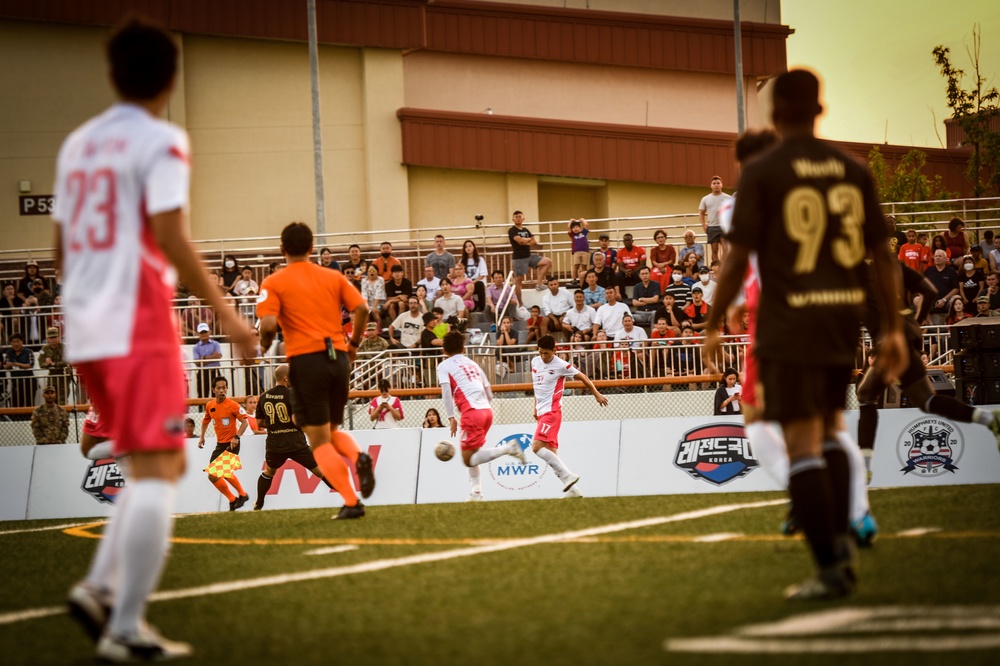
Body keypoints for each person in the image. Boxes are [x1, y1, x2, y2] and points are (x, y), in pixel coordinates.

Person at [58, 18, 254, 661]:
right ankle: (123, 625)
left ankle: (97, 591)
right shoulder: (161, 141)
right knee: (161, 468)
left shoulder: (78, 144)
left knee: (149, 463)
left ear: (112, 74)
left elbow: (60, 248)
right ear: (170, 79)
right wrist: (227, 315)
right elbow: (169, 234)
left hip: (83, 320)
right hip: (135, 317)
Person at [704, 69, 907, 601]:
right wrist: (893, 326)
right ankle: (844, 533)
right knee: (830, 426)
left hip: (790, 321)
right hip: (843, 318)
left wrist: (711, 322)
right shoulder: (852, 169)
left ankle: (831, 566)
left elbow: (738, 257)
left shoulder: (766, 172)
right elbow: (882, 254)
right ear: (819, 109)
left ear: (775, 114)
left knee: (801, 443)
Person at [257, 222, 375, 520]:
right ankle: (358, 457)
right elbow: (362, 310)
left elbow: (269, 326)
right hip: (338, 358)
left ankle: (351, 501)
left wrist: (262, 344)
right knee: (331, 431)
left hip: (307, 362)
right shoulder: (332, 276)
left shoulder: (274, 282)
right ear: (311, 248)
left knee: (318, 441)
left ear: (282, 249)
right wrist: (355, 345)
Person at [438, 331, 524, 501]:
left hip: (472, 412)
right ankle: (476, 492)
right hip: (486, 411)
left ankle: (508, 448)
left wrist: (450, 417)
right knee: (473, 454)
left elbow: (446, 392)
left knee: (468, 460)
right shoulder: (472, 363)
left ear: (444, 350)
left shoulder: (444, 365)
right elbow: (489, 391)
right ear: (463, 348)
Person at [530, 335, 608, 498]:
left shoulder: (561, 365)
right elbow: (537, 386)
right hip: (541, 412)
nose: (543, 357)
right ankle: (574, 491)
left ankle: (568, 477)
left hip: (552, 412)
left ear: (554, 350)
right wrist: (534, 406)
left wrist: (596, 394)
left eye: (547, 353)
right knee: (553, 457)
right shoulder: (535, 362)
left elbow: (583, 377)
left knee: (536, 447)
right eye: (541, 353)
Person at [254, 364, 337, 511]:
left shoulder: (263, 396)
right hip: (295, 443)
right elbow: (296, 420)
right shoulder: (293, 394)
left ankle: (258, 503)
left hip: (275, 444)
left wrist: (277, 425)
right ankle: (352, 499)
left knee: (269, 472)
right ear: (286, 378)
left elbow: (260, 423)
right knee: (320, 471)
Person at [198, 376, 250, 510]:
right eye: (219, 388)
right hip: (220, 444)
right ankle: (234, 499)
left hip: (232, 443)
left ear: (227, 388)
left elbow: (245, 422)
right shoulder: (210, 405)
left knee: (216, 473)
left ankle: (241, 496)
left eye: (224, 388)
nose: (222, 390)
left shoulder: (233, 405)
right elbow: (205, 421)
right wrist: (202, 437)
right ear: (213, 390)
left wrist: (236, 437)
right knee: (214, 476)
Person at [508, 210, 552, 301]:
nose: (518, 218)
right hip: (519, 258)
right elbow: (519, 241)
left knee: (548, 262)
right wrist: (527, 240)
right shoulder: (512, 230)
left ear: (523, 218)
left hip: (529, 255)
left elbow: (534, 241)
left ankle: (539, 284)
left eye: (520, 216)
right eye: (516, 217)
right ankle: (520, 303)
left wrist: (525, 242)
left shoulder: (526, 230)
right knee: (519, 281)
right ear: (513, 219)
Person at [700, 176, 733, 263]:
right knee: (714, 250)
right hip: (712, 227)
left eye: (718, 183)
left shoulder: (728, 198)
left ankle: (723, 266)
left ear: (721, 185)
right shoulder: (705, 199)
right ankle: (716, 266)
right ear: (711, 185)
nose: (716, 185)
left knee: (725, 248)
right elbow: (701, 213)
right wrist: (704, 225)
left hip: (724, 227)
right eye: (714, 183)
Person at [3, 332, 34, 419]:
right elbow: (5, 366)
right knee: (16, 404)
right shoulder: (8, 353)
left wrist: (19, 364)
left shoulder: (29, 352)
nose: (16, 344)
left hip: (29, 382)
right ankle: (16, 420)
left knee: (29, 403)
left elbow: (31, 365)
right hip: (16, 383)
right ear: (10, 343)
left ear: (22, 341)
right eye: (13, 342)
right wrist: (8, 366)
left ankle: (29, 420)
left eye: (17, 341)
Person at [38, 326, 70, 405]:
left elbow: (66, 361)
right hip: (52, 376)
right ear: (47, 339)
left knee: (63, 399)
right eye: (51, 338)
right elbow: (41, 363)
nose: (53, 340)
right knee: (51, 398)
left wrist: (53, 364)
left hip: (63, 376)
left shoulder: (64, 347)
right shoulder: (44, 348)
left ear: (59, 337)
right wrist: (47, 364)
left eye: (55, 337)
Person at [459, 240, 489, 311]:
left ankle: (482, 308)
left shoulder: (480, 259)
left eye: (470, 246)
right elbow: (460, 275)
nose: (468, 248)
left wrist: (472, 282)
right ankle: (474, 305)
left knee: (480, 285)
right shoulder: (462, 261)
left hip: (477, 283)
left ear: (474, 247)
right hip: (466, 284)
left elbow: (482, 275)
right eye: (466, 247)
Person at [567, 218, 590, 287]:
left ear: (580, 228)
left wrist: (582, 220)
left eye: (577, 227)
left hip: (585, 251)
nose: (575, 229)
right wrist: (571, 221)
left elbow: (586, 224)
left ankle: (585, 279)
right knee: (576, 265)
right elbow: (568, 227)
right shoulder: (572, 235)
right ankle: (574, 279)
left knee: (584, 266)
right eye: (573, 228)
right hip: (576, 252)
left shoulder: (583, 233)